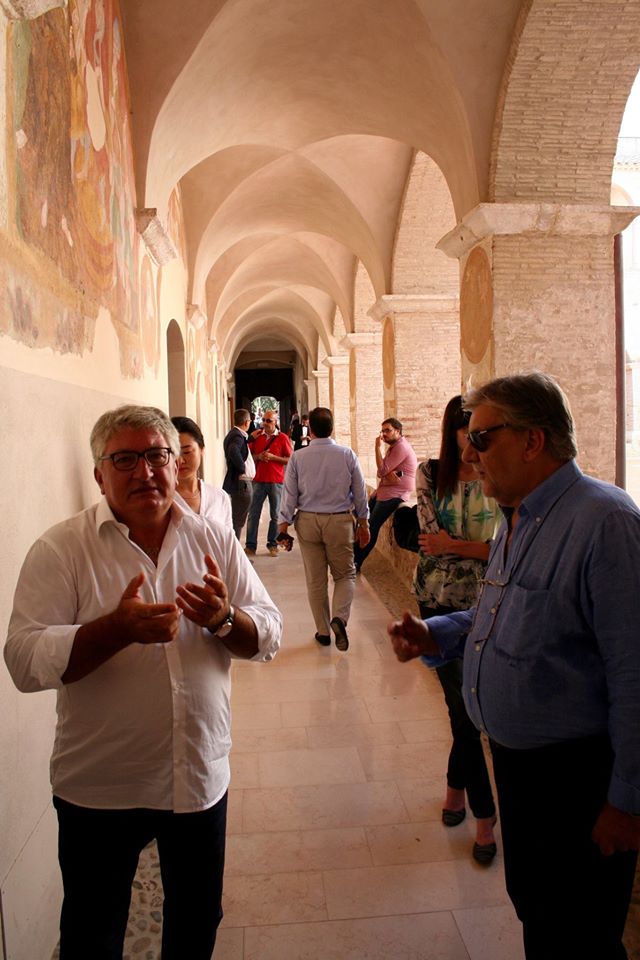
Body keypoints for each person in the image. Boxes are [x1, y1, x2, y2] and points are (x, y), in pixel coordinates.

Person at [4, 404, 282, 960]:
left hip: (197, 775)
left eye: (158, 456)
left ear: (177, 464)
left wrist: (224, 619)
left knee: (196, 923)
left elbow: (269, 633)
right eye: (125, 459)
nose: (145, 472)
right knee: (92, 932)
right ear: (98, 474)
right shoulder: (62, 550)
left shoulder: (213, 538)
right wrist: (114, 630)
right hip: (101, 785)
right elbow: (23, 661)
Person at [388, 373, 640, 960]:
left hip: (576, 781)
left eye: (482, 439)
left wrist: (627, 801)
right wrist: (435, 632)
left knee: (580, 936)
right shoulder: (518, 517)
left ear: (532, 440)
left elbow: (633, 674)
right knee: (537, 912)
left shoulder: (605, 523)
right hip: (523, 773)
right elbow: (496, 610)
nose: (470, 456)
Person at [412, 395, 500, 863]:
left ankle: (454, 790)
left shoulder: (497, 475)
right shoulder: (430, 473)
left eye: (481, 434)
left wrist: (458, 545)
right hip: (436, 600)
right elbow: (431, 541)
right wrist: (477, 548)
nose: (473, 444)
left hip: (490, 602)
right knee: (461, 709)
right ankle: (486, 818)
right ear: (451, 433)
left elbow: (509, 548)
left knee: (468, 710)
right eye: (467, 432)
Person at [278, 406, 370, 651]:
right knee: (345, 575)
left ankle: (323, 632)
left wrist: (283, 526)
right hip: (339, 521)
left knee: (315, 580)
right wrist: (364, 522)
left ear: (310, 430)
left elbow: (289, 495)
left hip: (308, 521)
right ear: (332, 427)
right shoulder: (347, 454)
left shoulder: (298, 457)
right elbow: (360, 492)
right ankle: (339, 618)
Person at [353, 417, 417, 572]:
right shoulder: (394, 447)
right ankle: (353, 557)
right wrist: (387, 474)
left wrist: (377, 448)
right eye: (382, 431)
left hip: (395, 494)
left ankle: (356, 562)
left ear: (398, 431)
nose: (383, 434)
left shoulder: (401, 447)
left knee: (371, 526)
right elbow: (381, 472)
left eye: (387, 430)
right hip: (384, 491)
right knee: (362, 520)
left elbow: (381, 470)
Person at [171, 415, 233, 530]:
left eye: (187, 452)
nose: (180, 460)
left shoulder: (219, 498)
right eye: (173, 453)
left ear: (201, 450)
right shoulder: (161, 500)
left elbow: (229, 538)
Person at [245, 411, 292, 558]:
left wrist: (273, 457)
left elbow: (290, 459)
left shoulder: (283, 438)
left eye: (269, 421)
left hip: (276, 481)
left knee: (275, 515)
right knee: (253, 514)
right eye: (264, 420)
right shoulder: (256, 437)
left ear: (275, 422)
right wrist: (259, 456)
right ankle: (250, 546)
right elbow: (247, 456)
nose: (265, 423)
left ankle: (272, 544)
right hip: (258, 480)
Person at [222, 408, 255, 538]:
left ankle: (234, 547)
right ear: (247, 422)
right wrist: (242, 468)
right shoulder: (237, 436)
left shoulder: (235, 434)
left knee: (237, 519)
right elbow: (233, 450)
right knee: (238, 521)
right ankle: (234, 549)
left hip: (241, 482)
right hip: (242, 483)